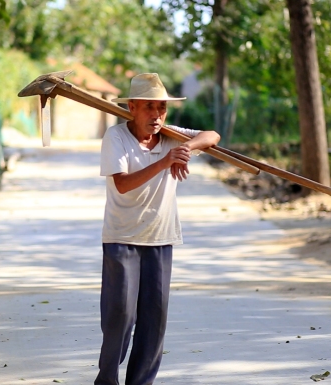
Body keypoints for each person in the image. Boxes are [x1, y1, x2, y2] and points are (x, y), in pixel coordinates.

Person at [95, 73, 221, 385]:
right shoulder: (116, 138)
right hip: (121, 238)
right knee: (119, 318)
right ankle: (107, 380)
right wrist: (165, 161)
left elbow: (213, 135)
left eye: (162, 108)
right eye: (149, 107)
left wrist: (185, 148)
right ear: (133, 107)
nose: (157, 114)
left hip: (160, 239)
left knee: (154, 320)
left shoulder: (169, 135)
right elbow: (122, 184)